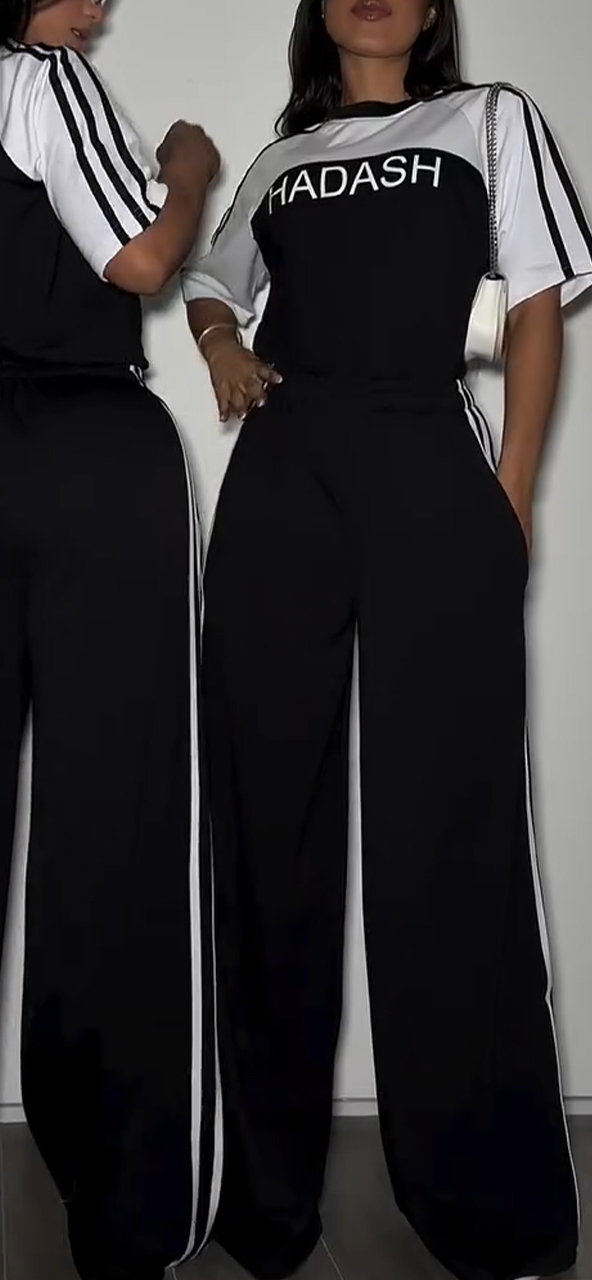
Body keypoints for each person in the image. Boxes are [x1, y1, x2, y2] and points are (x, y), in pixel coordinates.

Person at [184, 0, 592, 1277]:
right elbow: (211, 279)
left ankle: (488, 1205)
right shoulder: (282, 156)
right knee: (263, 821)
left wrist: (511, 492)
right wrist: (222, 344)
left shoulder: (489, 121)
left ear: (432, 11)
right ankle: (262, 1203)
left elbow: (535, 303)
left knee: (448, 825)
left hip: (429, 459)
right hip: (282, 478)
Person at [0, 2, 223, 1276]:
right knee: (122, 822)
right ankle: (129, 1206)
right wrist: (186, 167)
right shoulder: (45, 77)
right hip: (84, 450)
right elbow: (141, 258)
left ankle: (75, 1138)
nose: (102, 5)